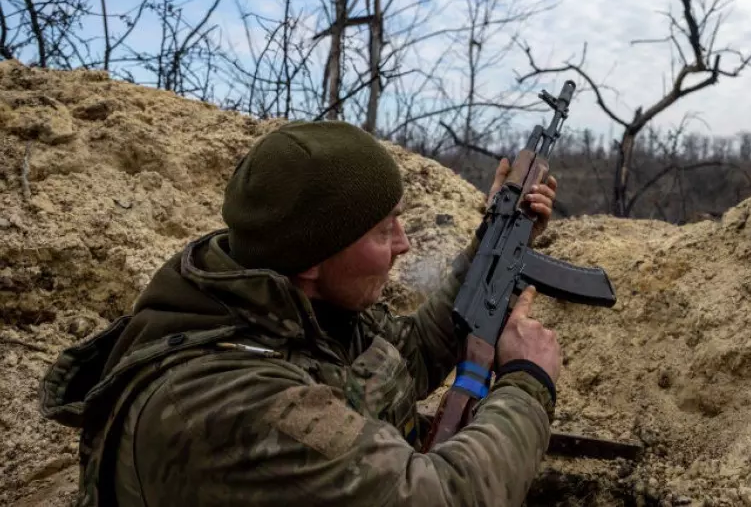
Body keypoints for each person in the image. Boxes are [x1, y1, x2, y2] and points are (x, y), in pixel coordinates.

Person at [40, 121, 563, 506]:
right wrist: (526, 382)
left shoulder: (287, 305)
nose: (403, 245)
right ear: (314, 259)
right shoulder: (228, 404)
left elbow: (410, 357)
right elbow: (438, 497)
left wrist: (492, 244)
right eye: (383, 231)